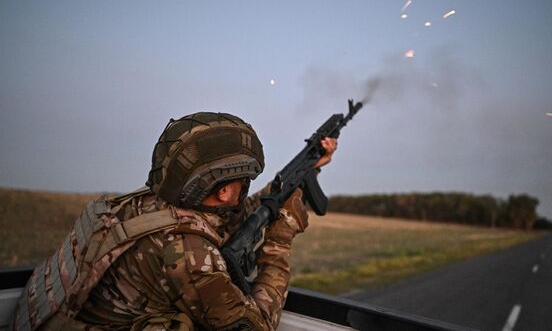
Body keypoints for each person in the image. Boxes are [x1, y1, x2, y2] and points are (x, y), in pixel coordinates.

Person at [10, 112, 337, 331]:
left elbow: (236, 214)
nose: (247, 186)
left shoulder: (146, 204)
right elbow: (256, 325)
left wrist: (309, 168)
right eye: (244, 181)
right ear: (223, 191)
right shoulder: (190, 255)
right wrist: (281, 238)